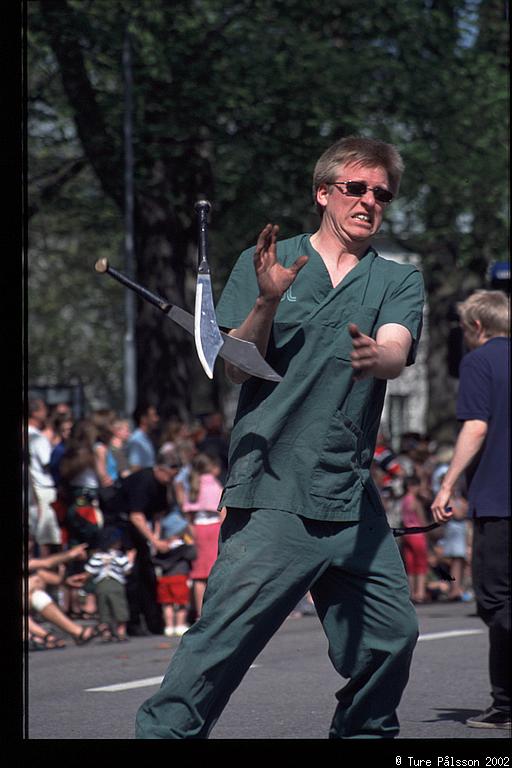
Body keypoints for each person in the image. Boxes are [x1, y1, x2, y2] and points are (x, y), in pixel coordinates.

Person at [136, 136, 425, 739]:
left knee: (392, 636)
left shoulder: (397, 280)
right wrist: (267, 301)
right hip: (271, 489)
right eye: (356, 188)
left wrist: (381, 355)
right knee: (219, 647)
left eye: (381, 193)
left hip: (349, 495)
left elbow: (396, 350)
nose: (370, 200)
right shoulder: (265, 261)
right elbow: (236, 365)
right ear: (324, 193)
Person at [431, 289, 510, 730]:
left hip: (499, 500)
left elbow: (476, 426)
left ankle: (505, 703)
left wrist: (446, 486)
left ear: (476, 326)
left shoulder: (479, 362)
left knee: (496, 600)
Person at [114, 448, 183, 636]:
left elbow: (158, 514)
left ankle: (154, 622)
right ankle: (133, 623)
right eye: (170, 475)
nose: (171, 479)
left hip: (142, 528)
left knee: (148, 575)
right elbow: (136, 516)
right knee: (133, 576)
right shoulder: (144, 482)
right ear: (160, 469)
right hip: (123, 526)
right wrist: (154, 540)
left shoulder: (164, 485)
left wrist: (156, 538)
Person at [181, 454, 226, 619]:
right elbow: (222, 509)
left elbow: (189, 515)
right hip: (214, 528)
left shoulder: (193, 484)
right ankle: (217, 610)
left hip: (198, 529)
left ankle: (200, 613)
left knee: (199, 573)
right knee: (216, 570)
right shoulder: (214, 485)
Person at [83, 526, 134, 642]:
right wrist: (131, 559)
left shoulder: (97, 556)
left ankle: (106, 632)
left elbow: (89, 570)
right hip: (116, 585)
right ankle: (121, 632)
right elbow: (127, 569)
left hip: (101, 585)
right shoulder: (119, 556)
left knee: (103, 608)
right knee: (119, 607)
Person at [152, 514, 196, 638]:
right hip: (180, 577)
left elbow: (154, 559)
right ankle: (180, 625)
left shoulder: (162, 547)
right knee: (181, 603)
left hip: (164, 579)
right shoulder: (183, 546)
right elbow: (193, 555)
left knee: (167, 604)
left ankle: (169, 626)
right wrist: (190, 541)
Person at [28, 398, 61, 557]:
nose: (46, 412)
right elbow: (50, 463)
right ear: (34, 413)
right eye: (43, 409)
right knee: (46, 537)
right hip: (44, 489)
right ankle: (46, 573)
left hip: (32, 489)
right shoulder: (38, 438)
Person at [400, 475, 429, 604]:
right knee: (421, 564)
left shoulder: (404, 500)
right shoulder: (415, 501)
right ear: (411, 487)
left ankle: (411, 592)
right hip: (417, 534)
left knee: (410, 565)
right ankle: (420, 592)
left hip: (407, 533)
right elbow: (422, 520)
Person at [127, 403, 160, 472]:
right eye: (153, 415)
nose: (157, 419)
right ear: (144, 419)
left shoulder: (146, 438)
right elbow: (134, 467)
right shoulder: (136, 440)